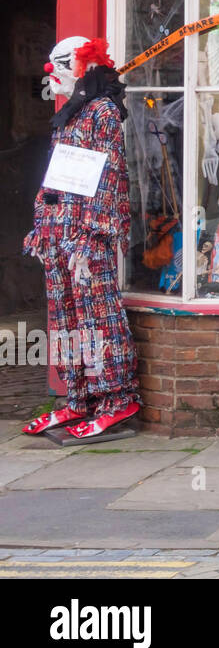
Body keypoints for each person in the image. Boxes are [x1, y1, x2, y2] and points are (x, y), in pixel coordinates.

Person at [22, 37, 141, 439]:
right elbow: (55, 174)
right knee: (66, 318)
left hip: (86, 236)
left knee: (99, 315)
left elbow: (109, 174)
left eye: (59, 62)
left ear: (82, 65)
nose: (48, 70)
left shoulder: (103, 113)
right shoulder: (69, 115)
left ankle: (117, 398)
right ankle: (79, 398)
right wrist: (42, 222)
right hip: (58, 232)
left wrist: (93, 232)